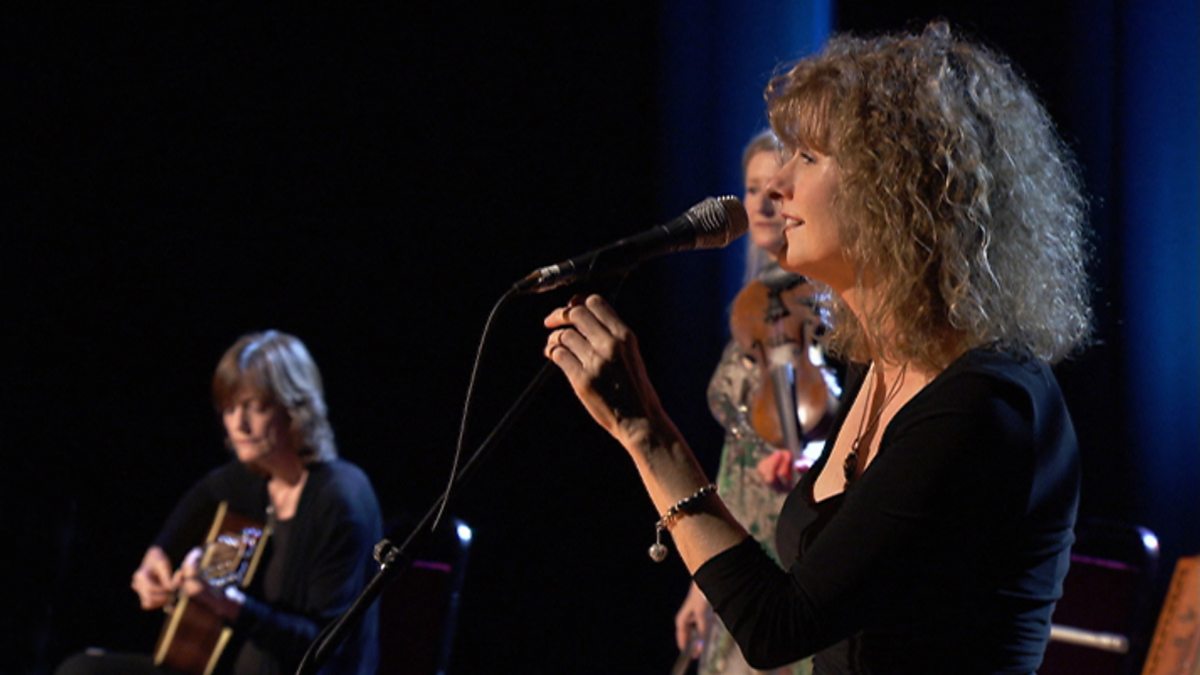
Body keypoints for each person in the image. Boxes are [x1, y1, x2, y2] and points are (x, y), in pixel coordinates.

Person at [543, 21, 1089, 674]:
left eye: (808, 157)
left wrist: (648, 434)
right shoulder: (874, 365)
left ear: (892, 187)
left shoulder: (983, 406)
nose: (776, 186)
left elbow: (779, 625)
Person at [58, 330, 382, 675]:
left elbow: (323, 647)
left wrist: (227, 604)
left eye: (255, 407)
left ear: (296, 407)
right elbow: (205, 494)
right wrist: (158, 554)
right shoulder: (256, 476)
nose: (239, 424)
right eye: (229, 409)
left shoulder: (340, 498)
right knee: (81, 669)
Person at [674, 131, 838, 675]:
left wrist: (806, 454)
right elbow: (737, 453)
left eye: (776, 189)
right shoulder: (751, 305)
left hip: (791, 533)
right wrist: (702, 585)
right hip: (739, 530)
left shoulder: (824, 301)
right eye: (752, 189)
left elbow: (848, 417)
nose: (765, 203)